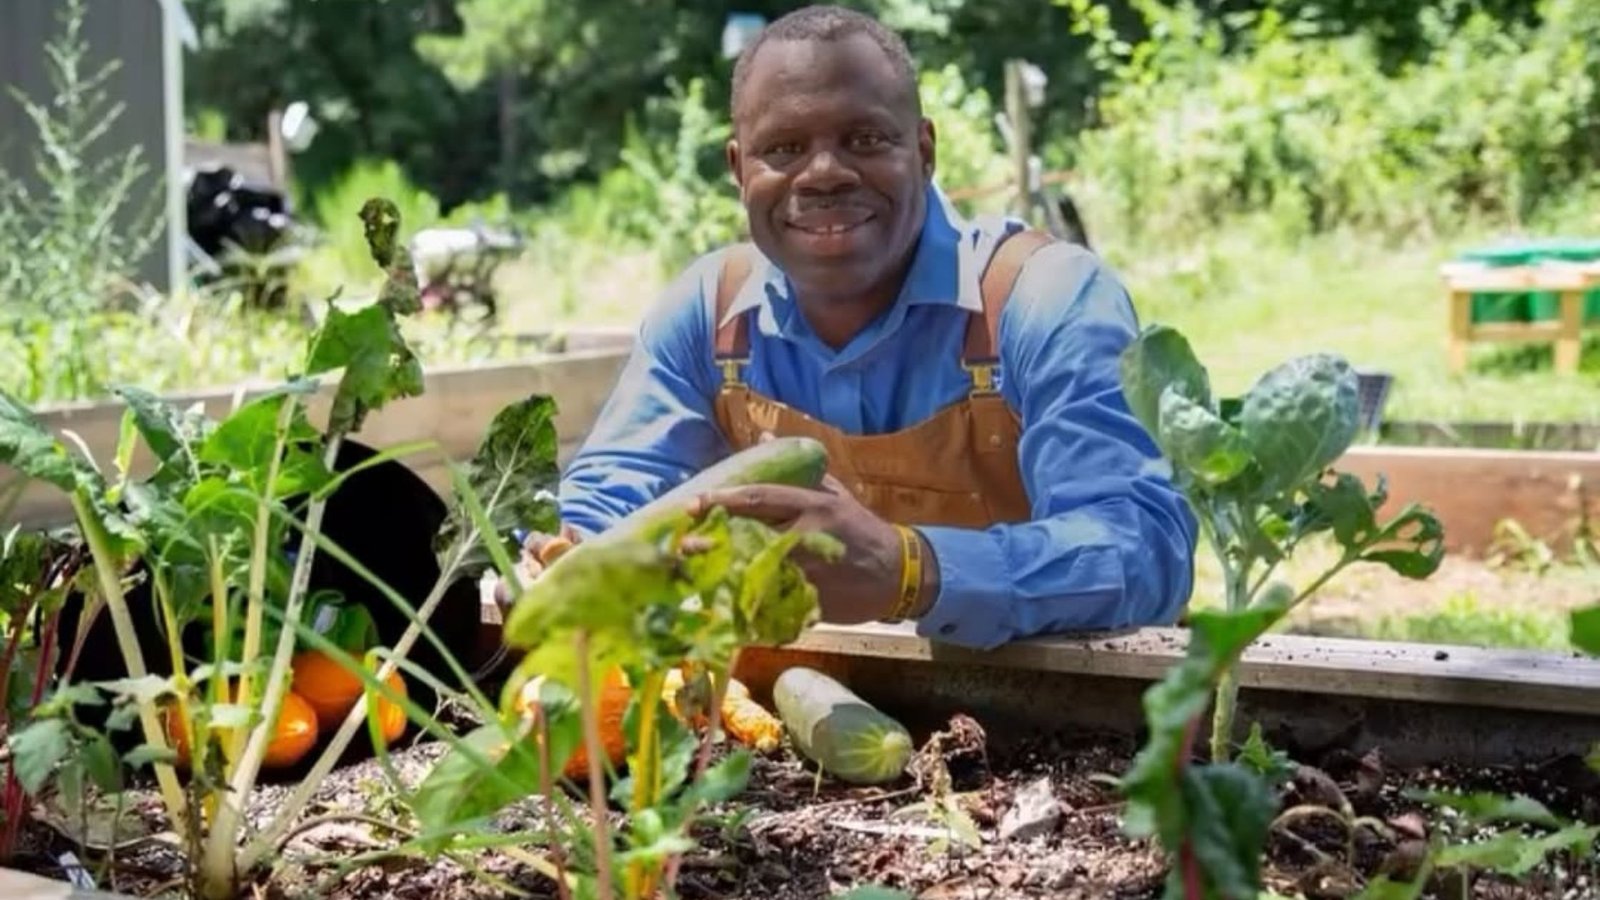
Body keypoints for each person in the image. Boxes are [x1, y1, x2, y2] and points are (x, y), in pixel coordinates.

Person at [513, 5, 1197, 651]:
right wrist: (570, 547)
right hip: (800, 705)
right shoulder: (708, 311)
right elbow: (615, 483)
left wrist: (913, 569)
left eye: (864, 139)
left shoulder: (1041, 299)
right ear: (737, 168)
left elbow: (1144, 547)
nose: (824, 174)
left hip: (1061, 715)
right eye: (782, 147)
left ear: (925, 151)